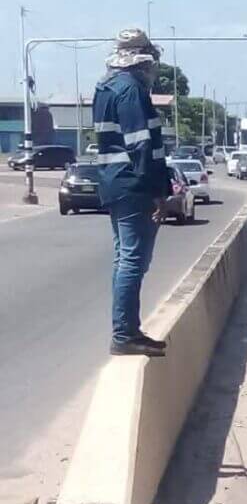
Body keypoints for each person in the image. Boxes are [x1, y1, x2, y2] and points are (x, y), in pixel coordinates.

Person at [94, 28, 172, 357]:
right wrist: (158, 191)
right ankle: (125, 334)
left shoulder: (106, 87)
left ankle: (127, 330)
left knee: (125, 257)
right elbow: (141, 145)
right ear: (143, 60)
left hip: (115, 183)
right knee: (132, 260)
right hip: (133, 184)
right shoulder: (131, 90)